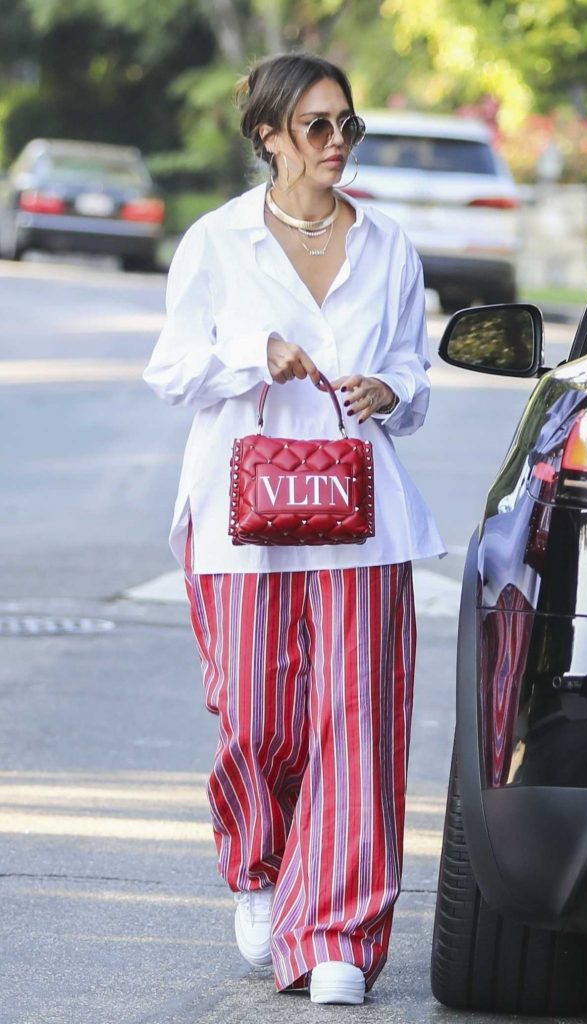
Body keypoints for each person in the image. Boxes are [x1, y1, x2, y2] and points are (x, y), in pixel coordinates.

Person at [143, 51, 445, 1005]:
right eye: (316, 127)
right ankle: (265, 866)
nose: (336, 144)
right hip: (239, 517)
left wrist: (390, 388)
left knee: (359, 719)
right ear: (268, 136)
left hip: (363, 513)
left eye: (347, 125)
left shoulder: (389, 245)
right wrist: (254, 354)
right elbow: (171, 369)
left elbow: (413, 380)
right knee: (259, 713)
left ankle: (337, 938)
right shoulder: (217, 241)